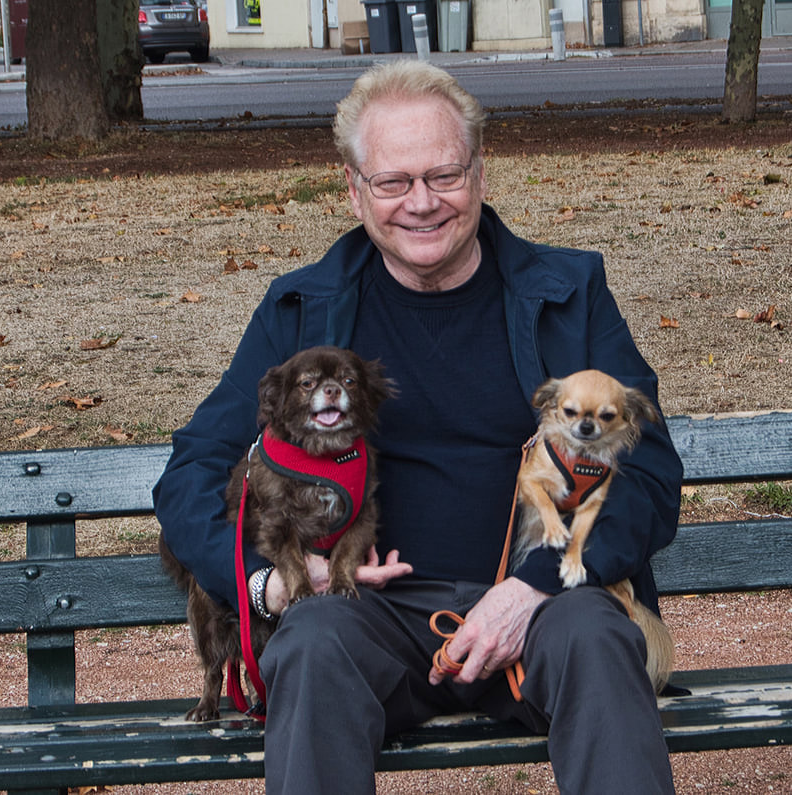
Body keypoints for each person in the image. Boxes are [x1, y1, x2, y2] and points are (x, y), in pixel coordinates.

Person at [154, 60, 683, 794]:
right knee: (309, 641)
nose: (423, 203)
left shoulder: (568, 296)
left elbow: (649, 472)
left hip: (541, 604)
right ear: (354, 189)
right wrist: (272, 581)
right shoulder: (301, 311)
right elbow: (190, 473)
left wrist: (530, 588)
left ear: (481, 173)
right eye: (394, 182)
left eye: (444, 175)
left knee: (597, 635)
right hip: (366, 616)